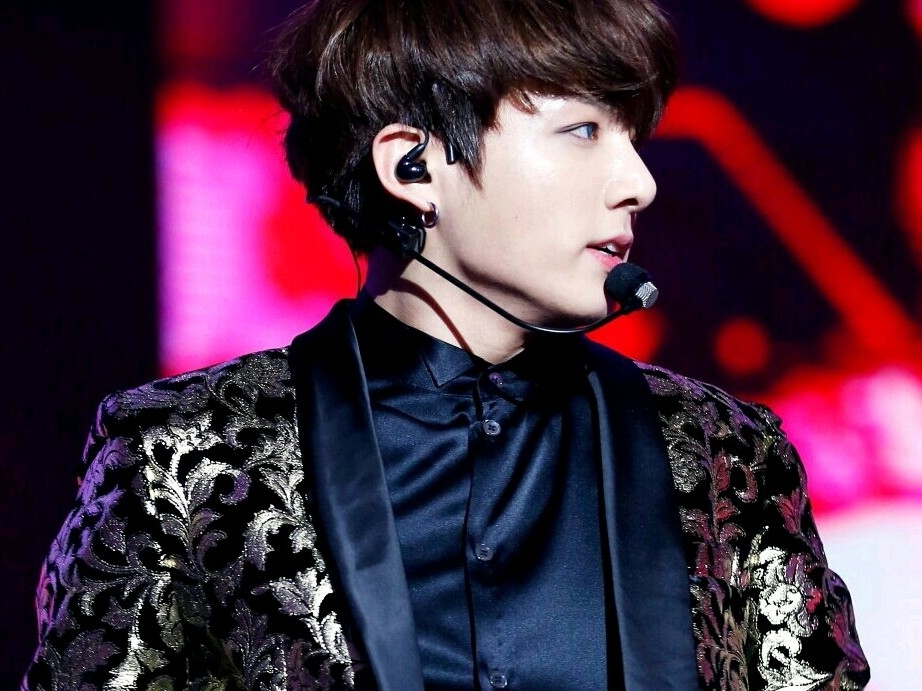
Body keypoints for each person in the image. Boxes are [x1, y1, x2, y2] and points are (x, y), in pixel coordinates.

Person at [23, 0, 870, 689]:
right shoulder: (187, 458)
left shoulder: (723, 455)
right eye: (584, 131)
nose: (640, 183)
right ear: (413, 167)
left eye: (634, 138)